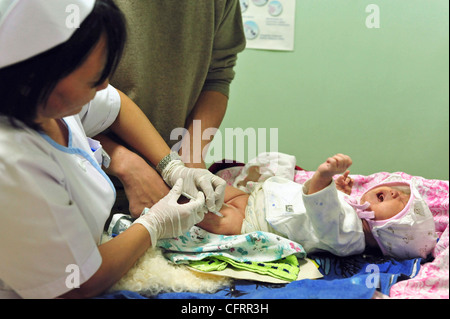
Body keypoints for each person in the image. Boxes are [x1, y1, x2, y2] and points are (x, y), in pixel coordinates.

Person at [0, 0, 225, 299]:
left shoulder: (53, 105)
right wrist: (154, 225)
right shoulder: (12, 163)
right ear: (39, 74)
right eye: (94, 79)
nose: (104, 84)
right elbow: (76, 283)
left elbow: (116, 105)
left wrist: (173, 166)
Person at [101, 0, 246, 216]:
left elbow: (218, 73)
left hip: (171, 182)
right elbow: (64, 100)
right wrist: (124, 162)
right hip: (84, 178)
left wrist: (189, 156)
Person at [196, 153, 438, 259]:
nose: (396, 193)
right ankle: (180, 183)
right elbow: (334, 208)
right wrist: (341, 192)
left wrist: (324, 177)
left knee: (204, 214)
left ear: (387, 233)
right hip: (258, 198)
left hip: (258, 223)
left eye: (401, 203)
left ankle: (174, 206)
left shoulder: (350, 239)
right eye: (400, 192)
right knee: (207, 186)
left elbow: (324, 212)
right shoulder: (353, 215)